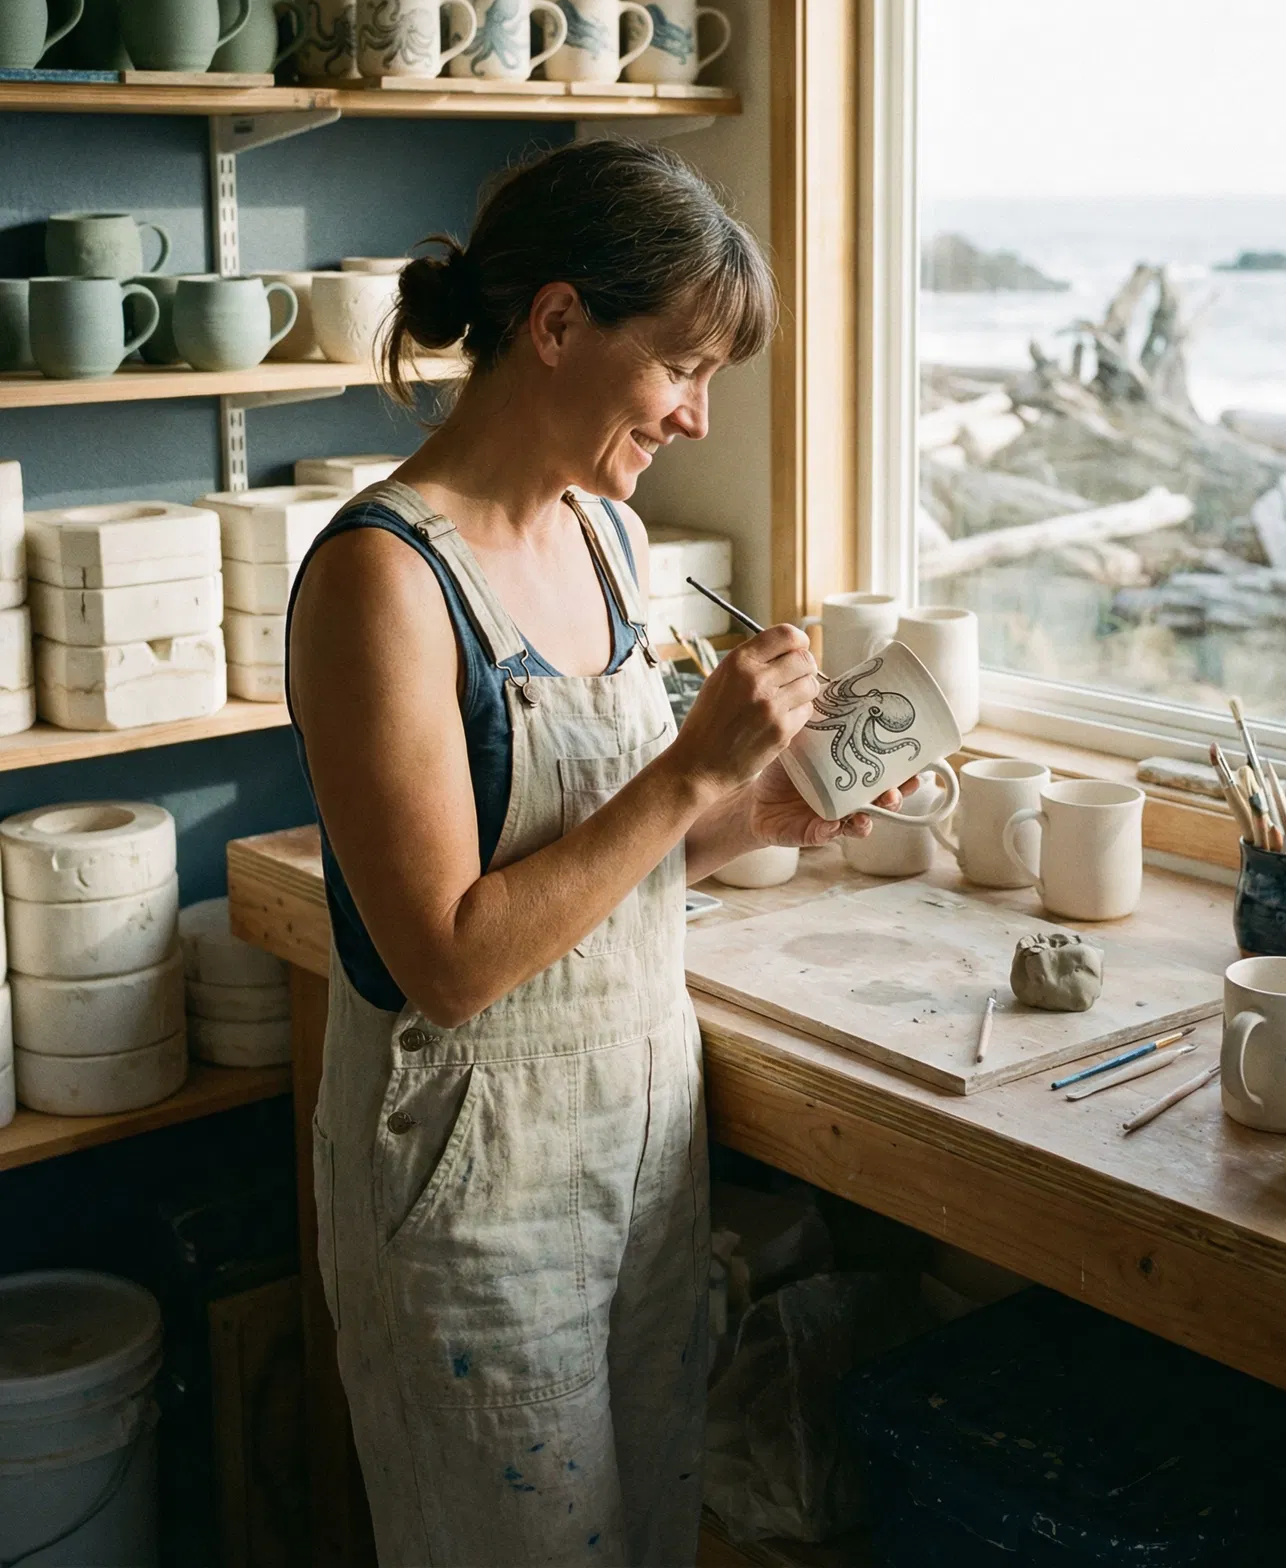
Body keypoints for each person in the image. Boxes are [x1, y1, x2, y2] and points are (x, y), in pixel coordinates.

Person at [286, 140, 908, 1568]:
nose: (695, 418)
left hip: (635, 1145)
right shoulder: (382, 578)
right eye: (679, 368)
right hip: (473, 1189)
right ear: (556, 324)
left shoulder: (611, 542)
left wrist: (756, 811)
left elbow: (599, 847)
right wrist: (696, 763)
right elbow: (449, 958)